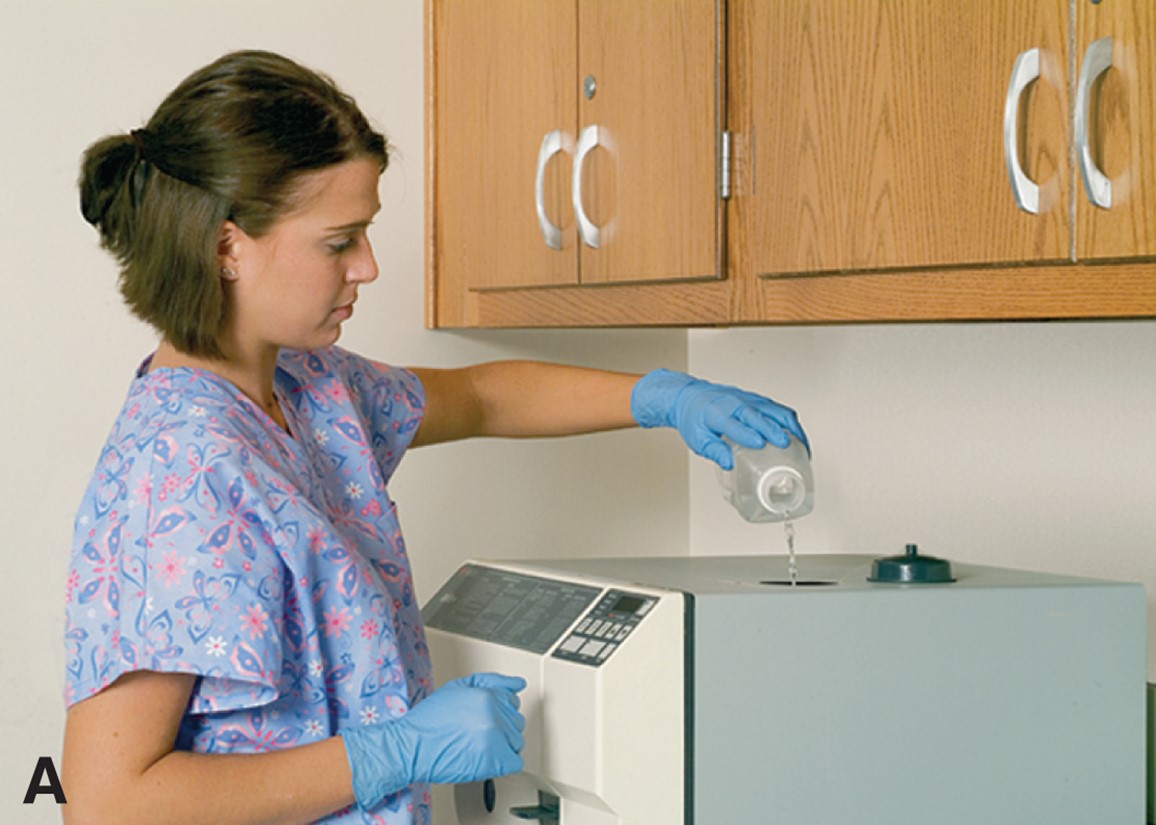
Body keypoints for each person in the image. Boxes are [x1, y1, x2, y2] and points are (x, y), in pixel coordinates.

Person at [61, 50, 809, 825]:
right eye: (339, 240)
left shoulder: (311, 387)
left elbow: (482, 397)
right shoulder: (178, 470)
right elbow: (110, 803)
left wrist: (663, 397)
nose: (369, 266)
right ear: (226, 248)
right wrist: (396, 751)